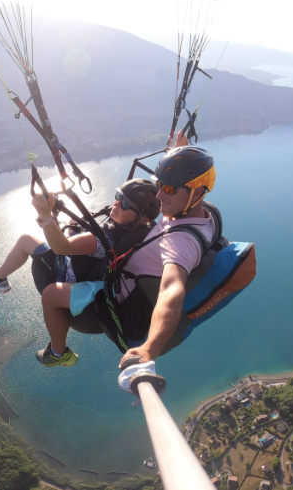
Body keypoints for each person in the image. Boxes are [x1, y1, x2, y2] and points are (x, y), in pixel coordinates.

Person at [39, 145, 217, 369]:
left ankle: (57, 352)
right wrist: (180, 148)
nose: (159, 195)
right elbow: (179, 190)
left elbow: (171, 290)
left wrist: (149, 349)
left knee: (49, 293)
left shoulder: (181, 243)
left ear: (198, 192)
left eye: (168, 189)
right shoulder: (199, 215)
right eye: (159, 185)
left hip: (115, 300)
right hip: (124, 277)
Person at [0, 178, 161, 365]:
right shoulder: (148, 231)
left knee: (28, 245)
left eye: (124, 203)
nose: (116, 203)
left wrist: (45, 216)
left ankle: (58, 352)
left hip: (79, 283)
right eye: (118, 197)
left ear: (143, 217)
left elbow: (61, 247)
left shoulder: (105, 238)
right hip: (102, 277)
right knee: (49, 232)